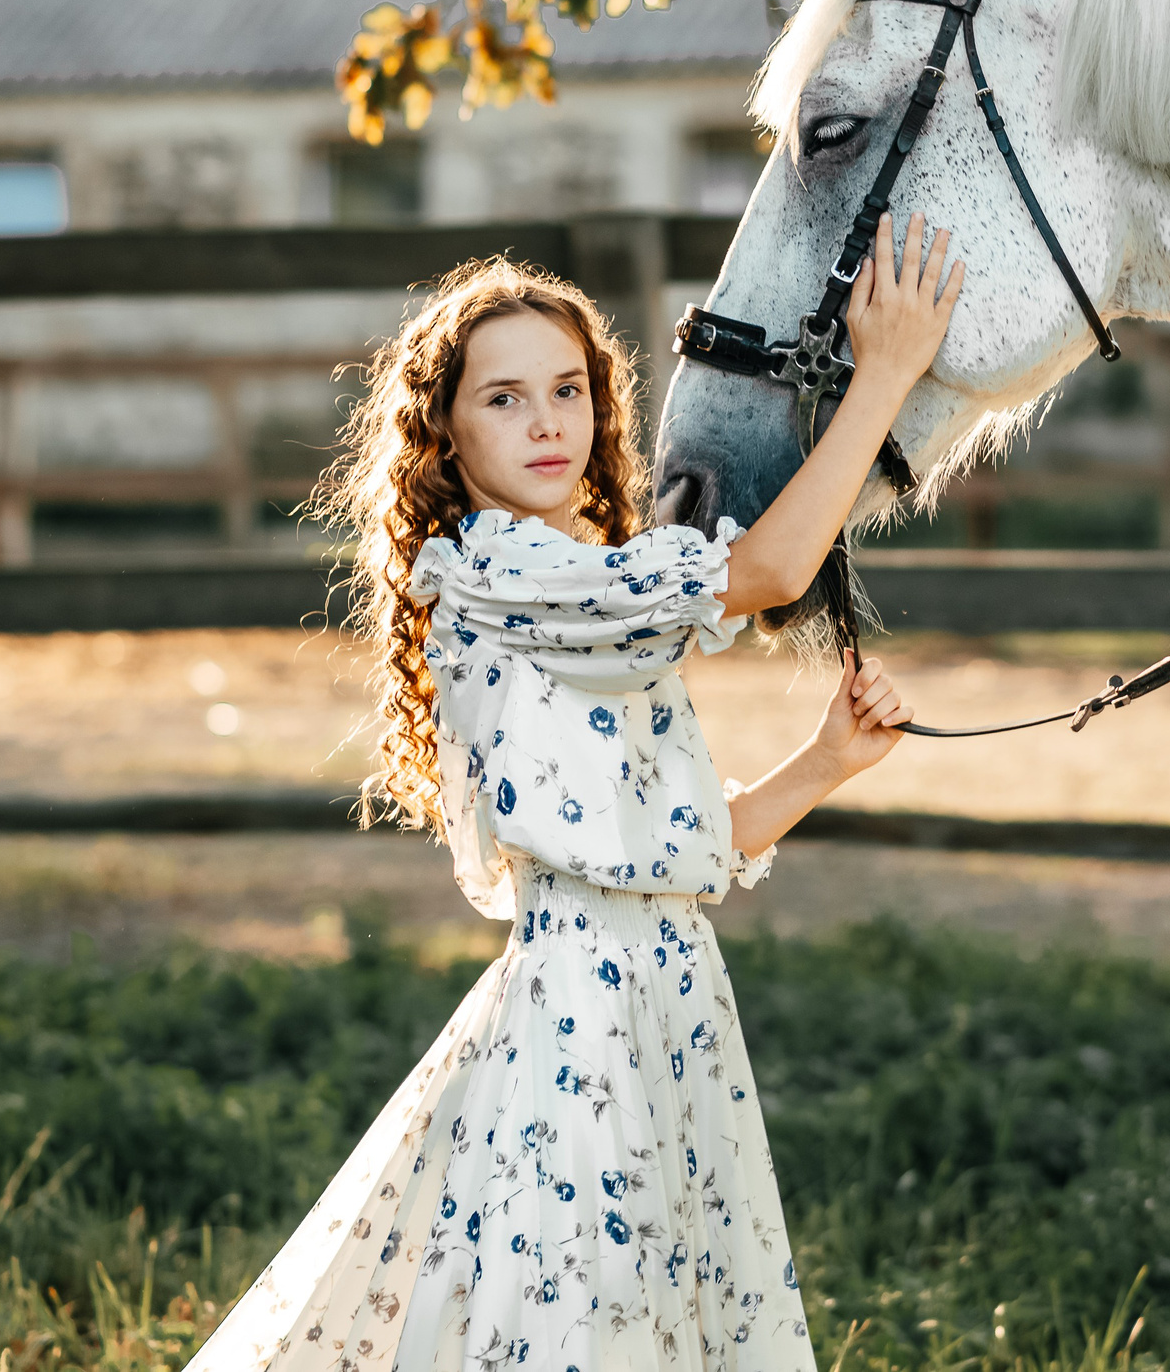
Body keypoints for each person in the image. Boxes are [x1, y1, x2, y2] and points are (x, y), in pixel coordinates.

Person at [192, 215, 964, 1372]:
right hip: (579, 1020)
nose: (547, 419)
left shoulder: (586, 590)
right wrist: (886, 375)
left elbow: (672, 852)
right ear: (444, 437)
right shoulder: (497, 569)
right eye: (502, 398)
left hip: (670, 996)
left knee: (663, 1314)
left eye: (567, 388)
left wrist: (823, 764)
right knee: (578, 1319)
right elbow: (763, 572)